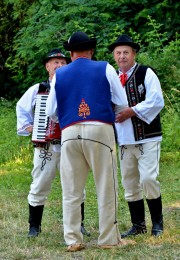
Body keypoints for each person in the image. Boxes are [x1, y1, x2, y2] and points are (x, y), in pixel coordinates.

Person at [46, 31, 135, 252]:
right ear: (91, 50)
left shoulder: (60, 73)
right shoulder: (104, 67)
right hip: (100, 129)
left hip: (69, 131)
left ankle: (73, 238)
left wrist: (69, 118)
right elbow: (122, 102)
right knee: (106, 184)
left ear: (70, 53)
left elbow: (51, 111)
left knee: (71, 188)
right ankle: (108, 238)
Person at [16, 48, 90, 238]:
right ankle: (34, 226)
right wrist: (29, 127)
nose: (59, 65)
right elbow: (22, 108)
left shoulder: (75, 87)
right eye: (55, 62)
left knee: (76, 185)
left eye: (63, 63)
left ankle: (78, 224)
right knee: (40, 183)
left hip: (70, 145)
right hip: (46, 146)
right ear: (47, 66)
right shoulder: (38, 89)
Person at [108, 34, 164, 238]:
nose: (122, 56)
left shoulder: (146, 73)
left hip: (147, 137)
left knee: (148, 179)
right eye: (118, 53)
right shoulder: (111, 77)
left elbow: (156, 101)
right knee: (129, 183)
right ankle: (138, 225)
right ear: (114, 56)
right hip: (123, 140)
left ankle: (157, 223)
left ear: (133, 54)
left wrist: (131, 111)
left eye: (125, 52)